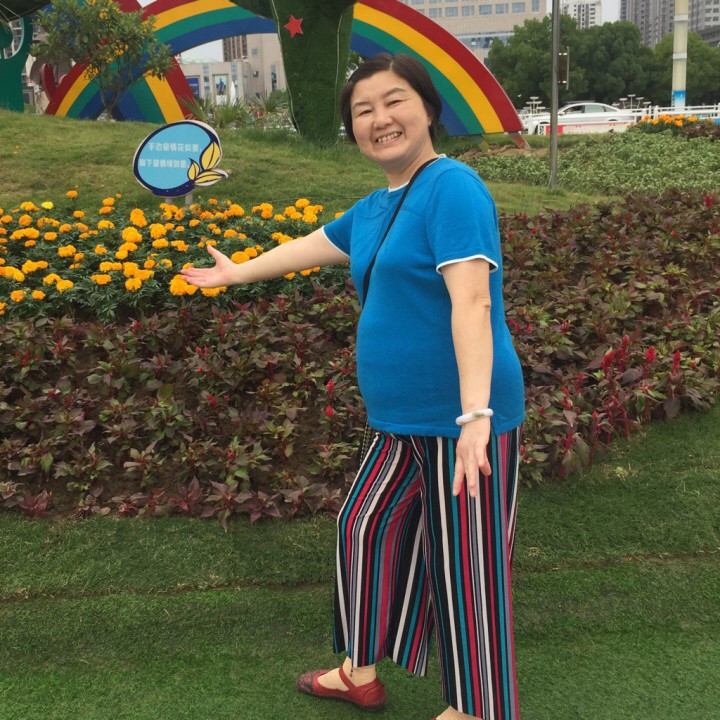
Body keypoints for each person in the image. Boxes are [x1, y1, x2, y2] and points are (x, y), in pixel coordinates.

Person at [181, 53, 525, 720]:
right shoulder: (377, 207)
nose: (379, 119)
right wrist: (237, 272)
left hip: (462, 419)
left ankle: (476, 708)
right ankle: (357, 672)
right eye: (363, 110)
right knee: (364, 528)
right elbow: (318, 244)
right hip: (397, 418)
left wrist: (476, 415)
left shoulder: (452, 188)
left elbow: (472, 302)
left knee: (468, 565)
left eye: (394, 101)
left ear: (428, 109)